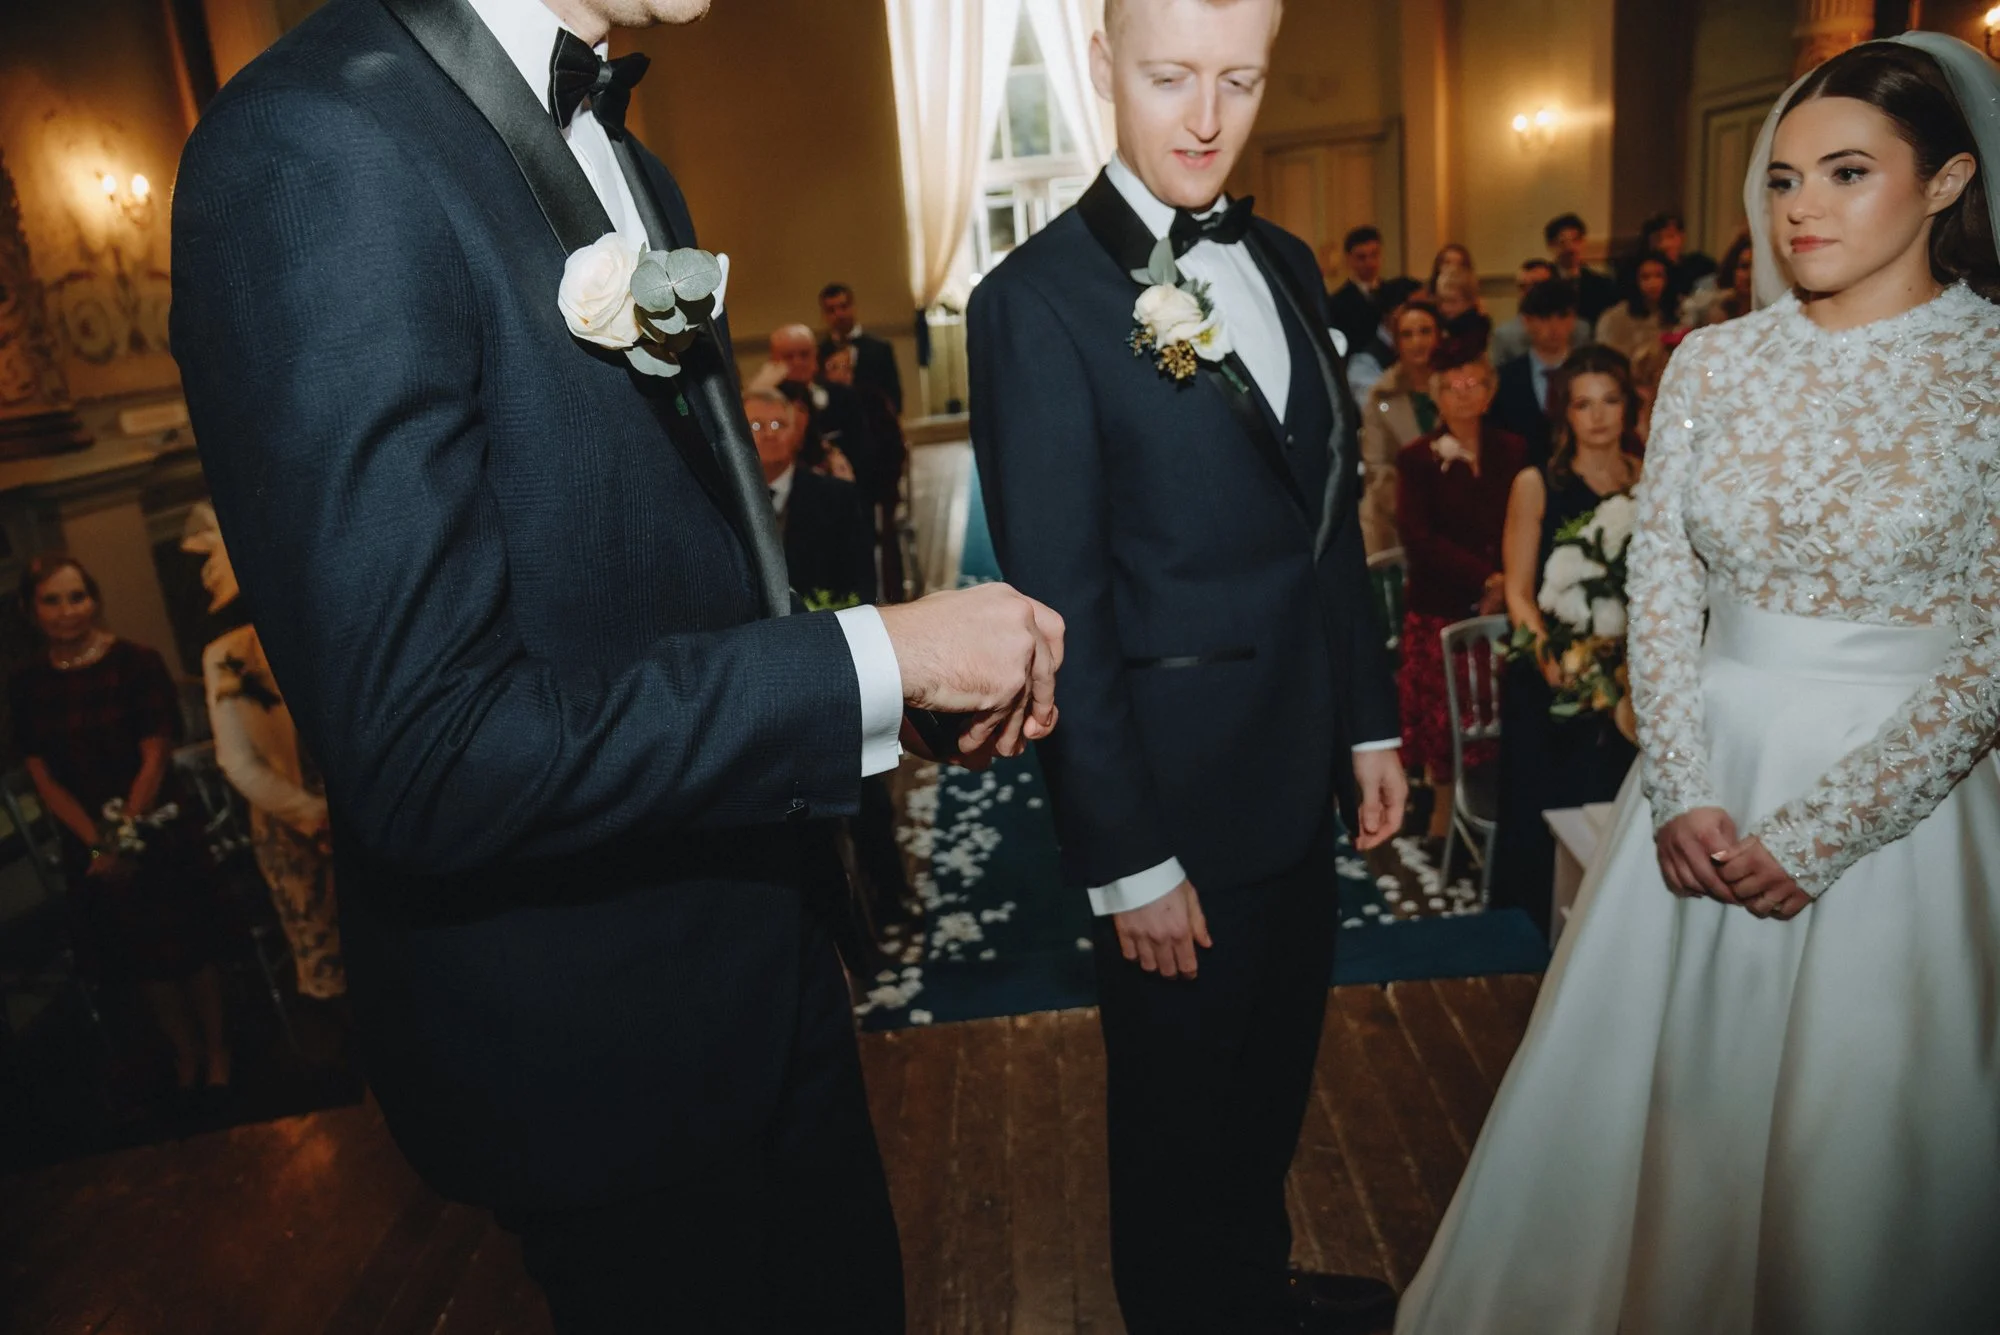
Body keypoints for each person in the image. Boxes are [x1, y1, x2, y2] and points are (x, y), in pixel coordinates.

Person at [170, 0, 1067, 1327]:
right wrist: (866, 662)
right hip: (600, 1049)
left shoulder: (629, 160)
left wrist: (891, 695)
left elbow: (658, 584)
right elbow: (425, 745)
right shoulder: (316, 141)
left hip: (765, 970)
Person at [1396, 34, 2000, 1333]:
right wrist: (1679, 788)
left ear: (1948, 183)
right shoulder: (1716, 364)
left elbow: (1995, 646)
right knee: (1659, 1133)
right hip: (1699, 781)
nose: (1803, 210)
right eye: (1783, 179)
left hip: (1905, 807)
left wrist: (1831, 826)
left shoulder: (1992, 370)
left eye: (1846, 173)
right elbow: (1660, 590)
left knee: (1860, 1156)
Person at [967, 0, 1405, 1329]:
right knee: (1174, 1134)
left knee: (1268, 1085)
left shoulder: (1283, 256)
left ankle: (1254, 1288)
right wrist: (1128, 856)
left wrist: (1371, 718)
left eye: (1240, 80)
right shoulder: (1030, 304)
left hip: (1299, 768)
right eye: (1169, 79)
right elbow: (1064, 610)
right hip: (1170, 804)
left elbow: (1322, 519)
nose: (1206, 119)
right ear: (1103, 68)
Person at [8, 554, 230, 1094]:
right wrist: (97, 847)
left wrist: (124, 836)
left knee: (189, 950)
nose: (67, 612)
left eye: (78, 597)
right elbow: (43, 776)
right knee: (143, 961)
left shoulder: (136, 662)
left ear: (95, 600)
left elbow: (155, 755)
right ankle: (184, 1052)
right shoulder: (27, 684)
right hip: (88, 840)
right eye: (53, 600)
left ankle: (219, 1050)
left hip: (156, 823)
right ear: (30, 610)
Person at [1488, 347, 1644, 933]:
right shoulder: (1538, 483)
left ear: (1627, 407)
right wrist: (1552, 659)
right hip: (1555, 672)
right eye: (1583, 404)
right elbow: (1520, 593)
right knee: (1548, 808)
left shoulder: (1646, 476)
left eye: (1610, 400)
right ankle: (1530, 932)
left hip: (1630, 673)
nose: (1598, 416)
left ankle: (1610, 932)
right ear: (1565, 415)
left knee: (1615, 806)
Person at [182, 503, 345, 1002]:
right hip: (294, 830)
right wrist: (313, 815)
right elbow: (237, 761)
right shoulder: (227, 657)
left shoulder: (335, 629)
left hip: (371, 822)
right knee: (335, 970)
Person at [1395, 350, 1525, 843]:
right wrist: (1484, 579)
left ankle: (1494, 807)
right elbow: (1419, 539)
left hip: (1505, 598)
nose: (1465, 393)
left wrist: (1505, 580)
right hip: (1441, 605)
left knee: (1499, 709)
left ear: (1490, 394)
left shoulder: (1512, 450)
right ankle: (1442, 811)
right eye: (1454, 386)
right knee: (1444, 717)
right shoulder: (1416, 459)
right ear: (1437, 399)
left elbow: (1522, 517)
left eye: (1475, 384)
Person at [1358, 296, 1442, 556]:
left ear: (1440, 336)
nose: (1418, 342)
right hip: (1395, 521)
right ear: (1397, 343)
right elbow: (1377, 467)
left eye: (1425, 332)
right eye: (1407, 335)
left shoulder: (1457, 387)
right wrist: (1420, 508)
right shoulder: (1380, 396)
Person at [1489, 277, 1579, 470]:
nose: (1554, 327)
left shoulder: (1589, 371)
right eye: (1545, 318)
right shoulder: (1505, 378)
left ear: (1573, 320)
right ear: (1526, 322)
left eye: (1562, 316)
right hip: (1521, 476)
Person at [818, 282, 903, 415]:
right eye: (831, 310)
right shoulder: (819, 353)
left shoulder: (880, 348)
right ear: (824, 315)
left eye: (843, 307)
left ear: (853, 307)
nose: (839, 314)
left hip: (875, 426)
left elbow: (894, 396)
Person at [1489, 258, 1592, 365]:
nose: (1528, 293)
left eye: (1536, 285)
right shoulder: (1504, 336)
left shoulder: (1581, 330)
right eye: (1522, 287)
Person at [1592, 249, 1684, 367]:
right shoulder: (1614, 319)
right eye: (1646, 277)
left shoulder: (1682, 311)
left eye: (1659, 276)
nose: (1653, 283)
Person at [1343, 274, 1424, 401]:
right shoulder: (1364, 363)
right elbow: (1377, 411)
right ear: (1392, 312)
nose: (1422, 315)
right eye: (1414, 308)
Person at [1545, 211, 1621, 324]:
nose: (1571, 248)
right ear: (1551, 245)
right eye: (1563, 242)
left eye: (1576, 240)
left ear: (1583, 241)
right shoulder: (1543, 281)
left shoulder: (1602, 284)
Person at [1326, 223, 1387, 355]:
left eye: (1374, 255)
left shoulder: (1393, 293)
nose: (1369, 263)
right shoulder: (1337, 303)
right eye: (1361, 257)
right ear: (1349, 259)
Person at [1639, 209, 1717, 295]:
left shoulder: (1702, 265)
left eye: (1670, 236)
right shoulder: (1642, 271)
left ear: (1682, 236)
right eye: (1658, 239)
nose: (1664, 244)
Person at [1692, 231, 1756, 326]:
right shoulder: (1718, 310)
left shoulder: (1772, 311)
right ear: (1732, 269)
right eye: (1744, 266)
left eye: (1756, 268)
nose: (1750, 274)